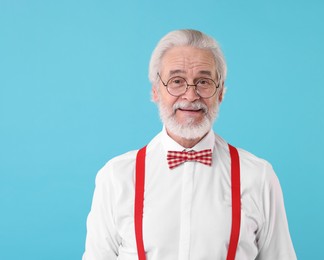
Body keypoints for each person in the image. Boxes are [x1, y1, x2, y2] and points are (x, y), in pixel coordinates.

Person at [83, 29, 297, 260]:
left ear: (221, 92)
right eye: (176, 81)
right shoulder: (117, 176)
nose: (191, 95)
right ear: (156, 90)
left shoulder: (258, 176)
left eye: (203, 82)